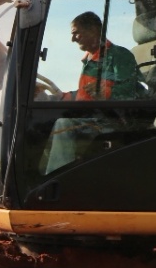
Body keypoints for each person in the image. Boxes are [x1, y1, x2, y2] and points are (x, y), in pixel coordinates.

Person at [43, 11, 142, 172]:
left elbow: (129, 92)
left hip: (112, 120)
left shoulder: (119, 56)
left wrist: (105, 92)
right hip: (91, 117)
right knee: (44, 120)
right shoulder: (90, 59)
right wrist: (59, 97)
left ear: (94, 30)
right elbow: (86, 93)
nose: (72, 39)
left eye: (76, 33)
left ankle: (56, 179)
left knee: (63, 123)